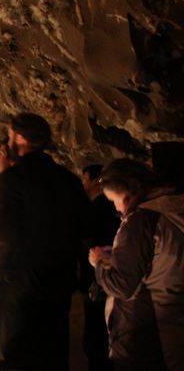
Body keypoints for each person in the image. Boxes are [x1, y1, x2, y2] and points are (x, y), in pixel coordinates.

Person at [0, 113, 91, 370]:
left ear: (21, 138)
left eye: (10, 134)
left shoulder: (15, 178)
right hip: (59, 280)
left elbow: (5, 233)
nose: (8, 140)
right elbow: (84, 227)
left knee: (18, 353)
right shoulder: (69, 179)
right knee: (53, 353)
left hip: (21, 282)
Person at [89, 159, 184, 371]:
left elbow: (122, 285)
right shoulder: (173, 206)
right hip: (174, 319)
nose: (116, 208)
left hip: (146, 329)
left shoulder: (140, 222)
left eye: (114, 200)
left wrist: (98, 264)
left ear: (127, 194)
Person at [80, 164, 119, 371]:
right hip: (98, 275)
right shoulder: (100, 206)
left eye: (85, 177)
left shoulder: (101, 206)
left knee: (96, 333)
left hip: (99, 276)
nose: (82, 182)